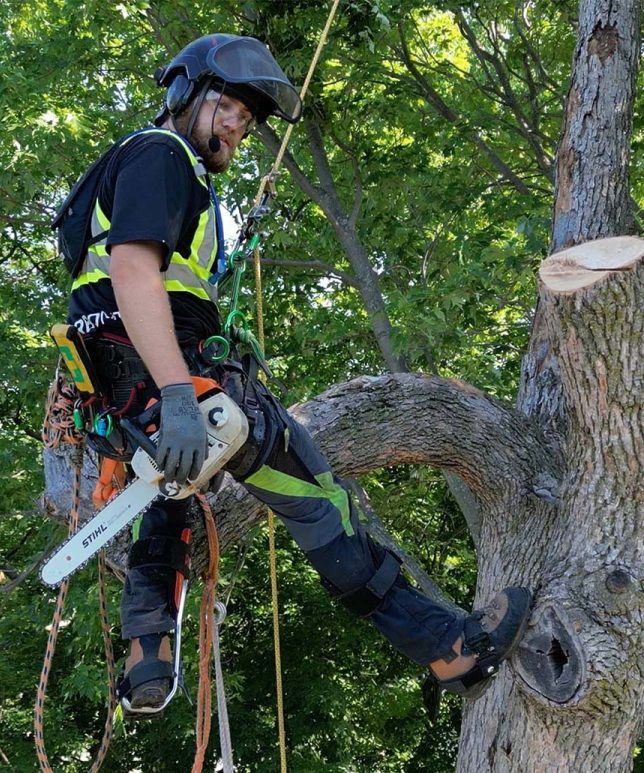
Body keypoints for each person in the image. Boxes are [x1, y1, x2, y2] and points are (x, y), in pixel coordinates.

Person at [64, 33, 531, 715]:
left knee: (169, 497)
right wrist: (179, 393)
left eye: (247, 119)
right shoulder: (162, 154)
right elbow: (134, 272)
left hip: (123, 386)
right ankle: (448, 647)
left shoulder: (139, 168)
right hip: (173, 375)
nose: (237, 126)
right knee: (319, 501)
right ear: (184, 93)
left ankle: (146, 661)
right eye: (227, 107)